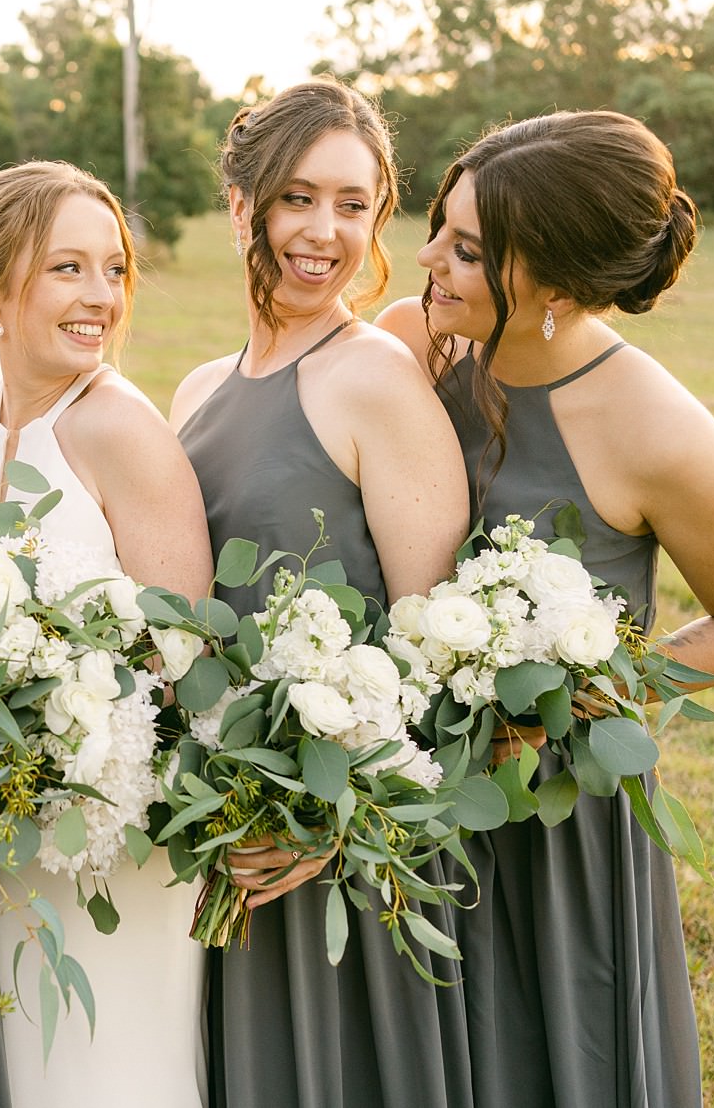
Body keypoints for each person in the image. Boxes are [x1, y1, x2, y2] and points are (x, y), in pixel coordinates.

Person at [376, 109, 714, 1108]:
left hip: (552, 812)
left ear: (559, 287)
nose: (428, 260)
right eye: (440, 226)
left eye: (466, 250)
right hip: (405, 778)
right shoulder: (419, 342)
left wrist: (576, 702)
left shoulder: (655, 429)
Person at [168, 79, 473, 1108]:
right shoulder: (196, 390)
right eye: (298, 198)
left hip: (333, 841)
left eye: (353, 204)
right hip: (220, 822)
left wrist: (329, 812)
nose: (325, 231)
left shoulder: (374, 378)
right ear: (240, 205)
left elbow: (432, 650)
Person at [0, 159, 215, 1108]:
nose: (101, 296)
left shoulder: (123, 431)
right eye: (67, 268)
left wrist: (67, 739)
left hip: (109, 837)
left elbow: (184, 658)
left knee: (109, 1068)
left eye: (115, 269)